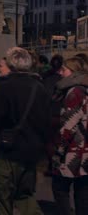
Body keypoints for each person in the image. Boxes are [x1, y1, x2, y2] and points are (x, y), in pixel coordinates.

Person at [0, 47, 51, 215]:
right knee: (25, 195)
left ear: (11, 64)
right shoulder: (40, 87)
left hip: (8, 150)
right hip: (31, 151)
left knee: (2, 197)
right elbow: (46, 122)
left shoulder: (3, 88)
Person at [51, 57, 88, 215]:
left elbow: (68, 126)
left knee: (60, 188)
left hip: (72, 151)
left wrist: (58, 150)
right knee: (82, 190)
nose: (60, 72)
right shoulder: (85, 89)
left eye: (64, 69)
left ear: (73, 73)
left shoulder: (74, 92)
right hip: (85, 150)